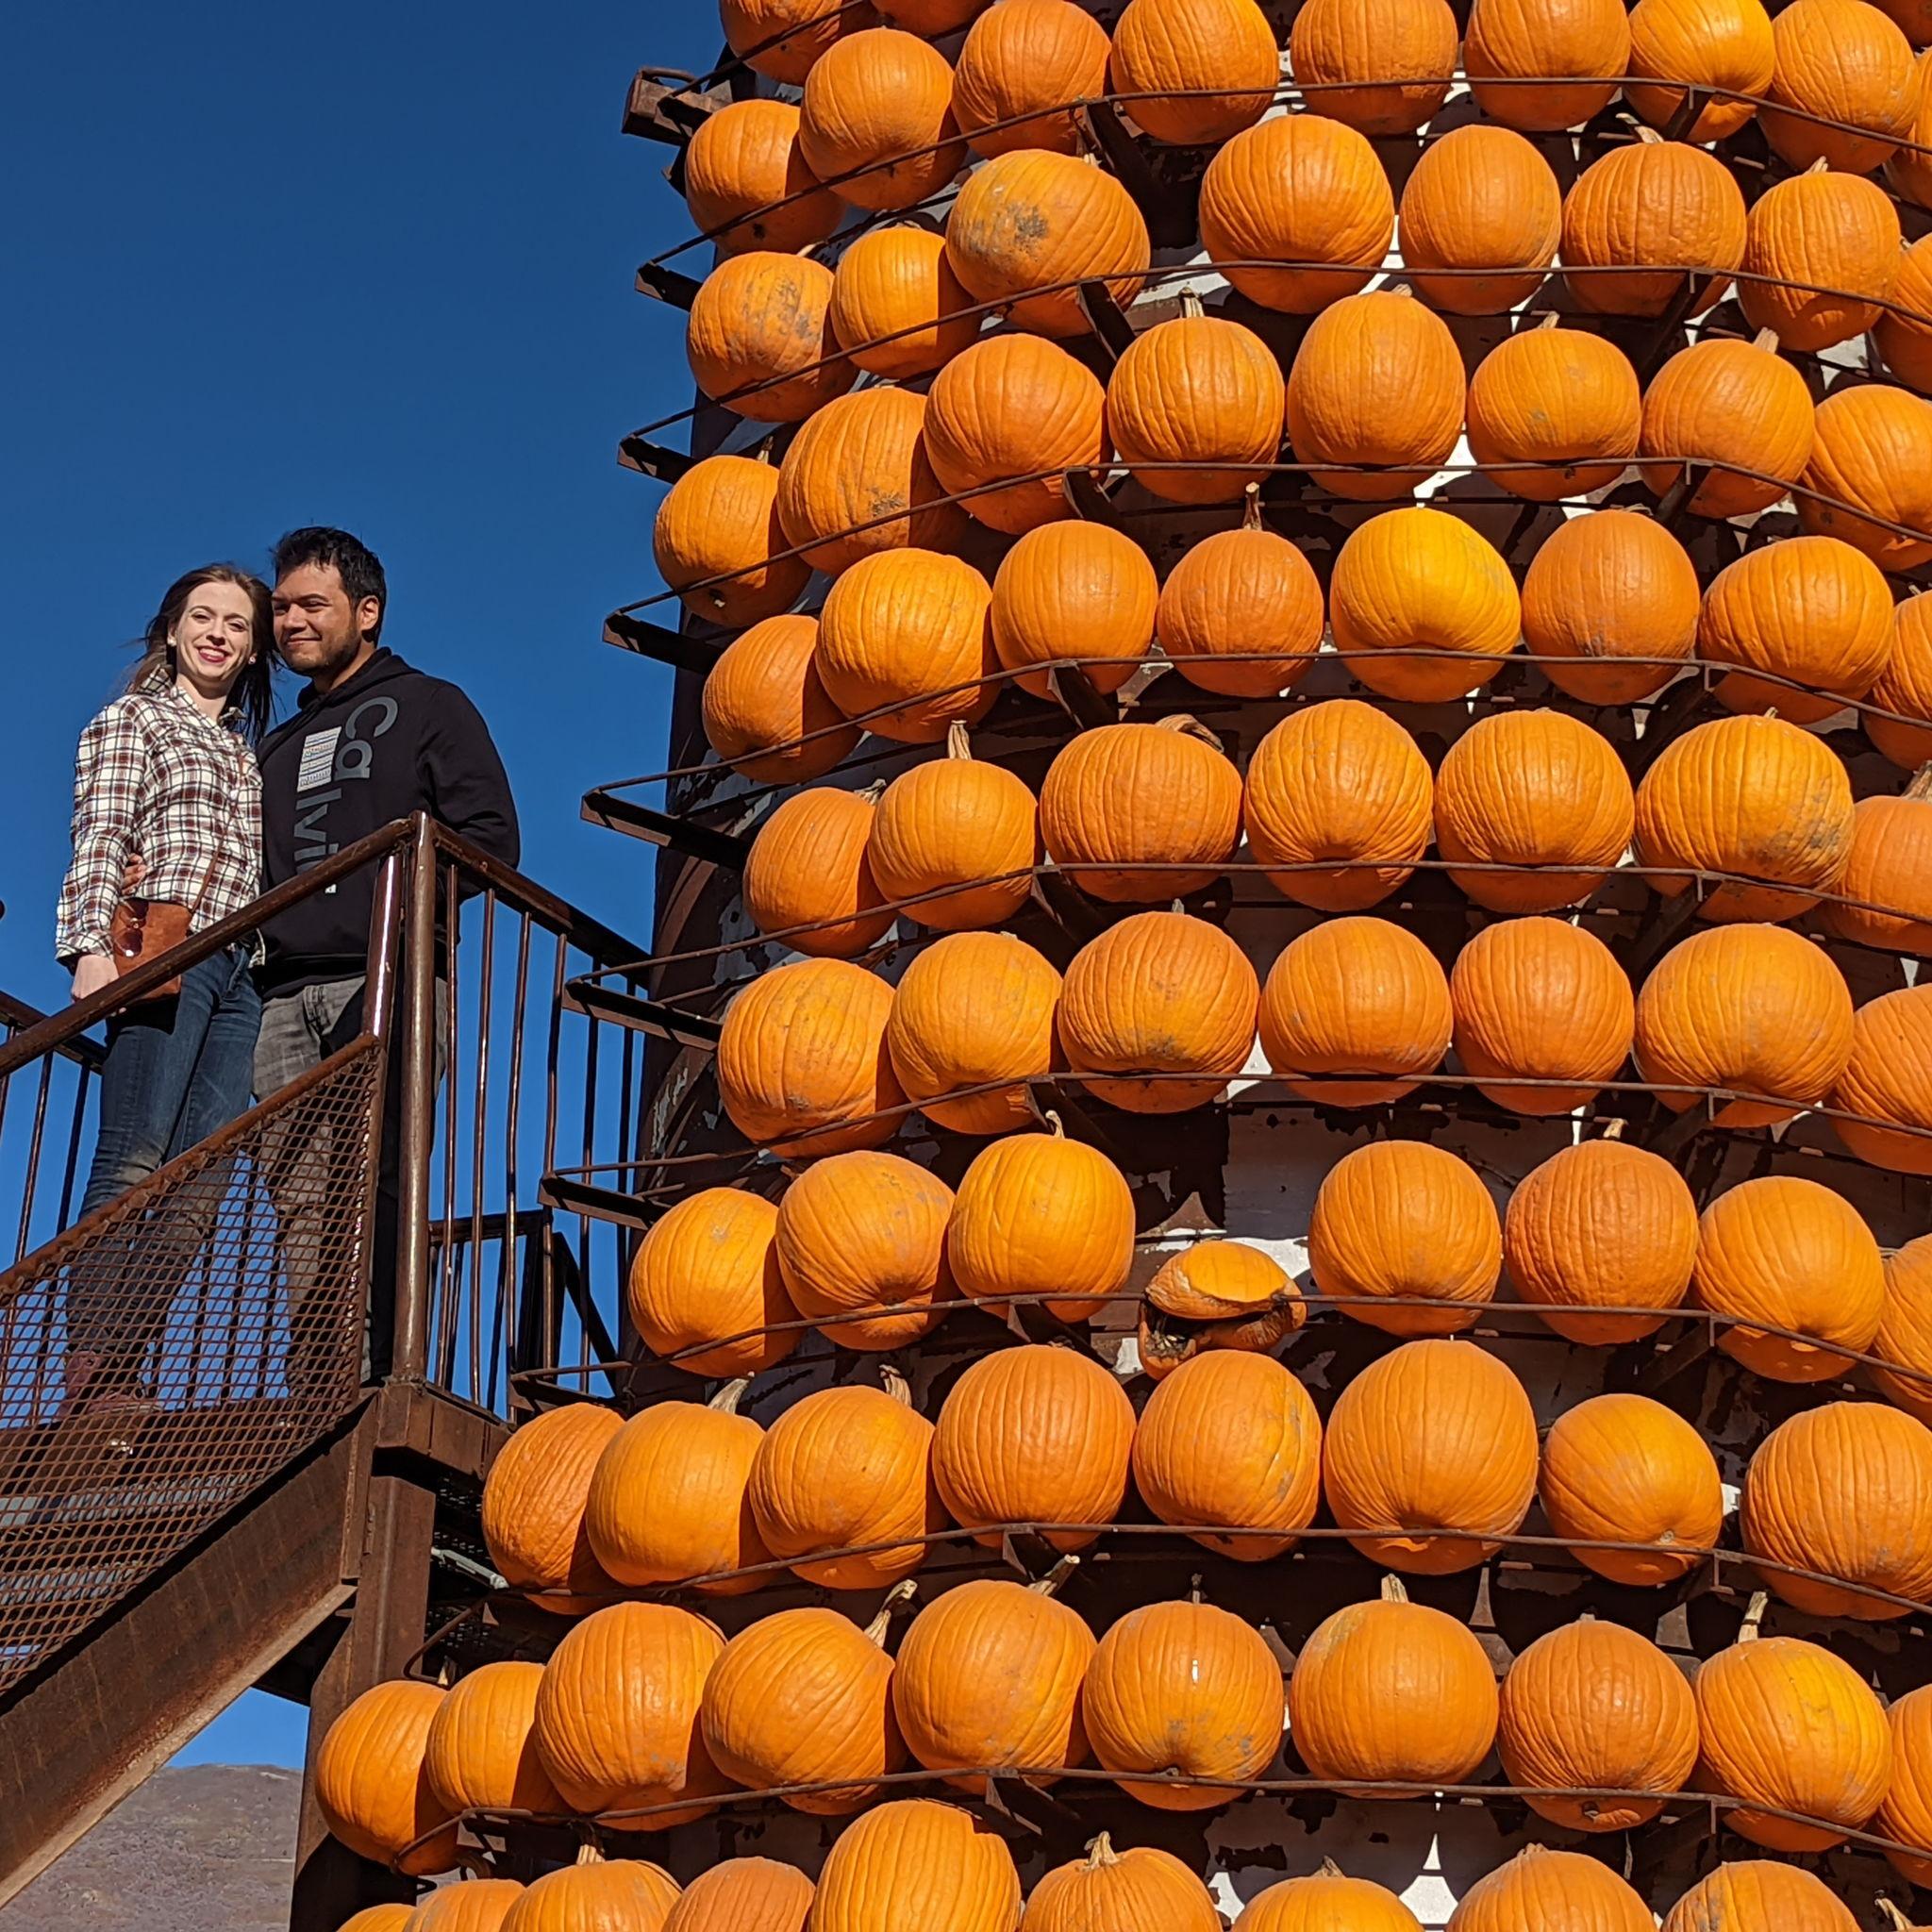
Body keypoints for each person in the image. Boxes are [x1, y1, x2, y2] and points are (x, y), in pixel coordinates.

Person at [254, 526, 518, 1382]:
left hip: (389, 976)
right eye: (281, 607)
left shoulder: (430, 704)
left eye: (312, 604)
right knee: (297, 1198)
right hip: (282, 995)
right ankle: (318, 1377)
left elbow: (490, 839)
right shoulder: (275, 747)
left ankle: (376, 1369)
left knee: (380, 1174)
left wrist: (391, 911)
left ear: (366, 612)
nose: (291, 621)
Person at [54, 564, 277, 1421]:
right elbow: (101, 832)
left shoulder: (248, 755)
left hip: (242, 966)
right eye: (202, 617)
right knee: (134, 1155)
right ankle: (93, 1371)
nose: (218, 633)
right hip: (165, 947)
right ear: (173, 630)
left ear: (253, 649)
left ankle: (127, 1356)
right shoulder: (134, 720)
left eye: (236, 624)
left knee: (201, 1179)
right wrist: (89, 948)